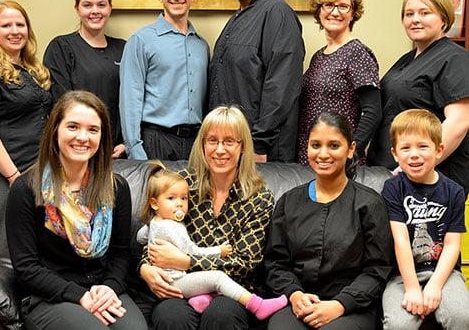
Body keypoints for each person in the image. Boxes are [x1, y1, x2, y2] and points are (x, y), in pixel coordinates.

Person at [5, 91, 147, 330]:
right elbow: (26, 267)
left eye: (93, 130)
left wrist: (110, 287)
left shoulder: (116, 187)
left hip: (103, 289)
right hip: (50, 295)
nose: (83, 137)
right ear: (55, 130)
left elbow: (120, 254)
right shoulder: (26, 188)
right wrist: (80, 296)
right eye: (73, 126)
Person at [136, 106, 274, 330]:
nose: (220, 150)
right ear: (202, 145)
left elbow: (245, 263)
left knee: (221, 316)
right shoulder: (182, 184)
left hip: (232, 290)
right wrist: (145, 268)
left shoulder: (259, 197)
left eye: (229, 141)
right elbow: (156, 231)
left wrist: (187, 261)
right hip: (183, 283)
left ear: (243, 147)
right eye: (212, 140)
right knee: (171, 315)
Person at [264, 112, 393, 329]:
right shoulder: (289, 201)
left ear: (351, 149)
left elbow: (377, 270)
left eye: (333, 145)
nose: (323, 154)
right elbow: (274, 263)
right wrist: (295, 295)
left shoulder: (369, 204)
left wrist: (340, 304)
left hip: (351, 306)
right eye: (316, 145)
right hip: (298, 302)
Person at [136, 161, 287, 320]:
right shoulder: (175, 221)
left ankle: (201, 298)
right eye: (171, 198)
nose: (180, 203)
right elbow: (192, 251)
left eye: (184, 198)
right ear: (154, 203)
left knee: (221, 313)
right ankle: (258, 306)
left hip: (190, 278)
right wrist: (219, 251)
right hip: (174, 281)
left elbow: (141, 237)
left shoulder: (155, 222)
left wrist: (177, 258)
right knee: (217, 278)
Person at [208, 0, 305, 163]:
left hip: (262, 151)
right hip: (233, 147)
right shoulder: (237, 18)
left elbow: (281, 85)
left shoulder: (277, 13)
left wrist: (260, 142)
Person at [0, 1, 51, 261]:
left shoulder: (32, 71)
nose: (15, 31)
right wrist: (14, 177)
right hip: (0, 176)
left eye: (20, 24)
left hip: (34, 172)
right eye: (6, 25)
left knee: (32, 250)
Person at [368, 0, 469, 194]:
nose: (415, 19)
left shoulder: (455, 58)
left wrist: (414, 167)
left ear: (443, 19)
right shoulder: (408, 59)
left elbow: (459, 122)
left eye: (425, 13)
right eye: (409, 14)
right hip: (394, 172)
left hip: (429, 179)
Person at [381, 109, 469, 329]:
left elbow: (451, 246)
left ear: (439, 150)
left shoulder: (454, 191)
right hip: (401, 275)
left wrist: (435, 286)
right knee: (398, 325)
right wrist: (412, 289)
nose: (414, 154)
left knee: (462, 316)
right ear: (394, 154)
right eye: (405, 148)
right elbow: (400, 240)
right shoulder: (393, 188)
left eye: (423, 146)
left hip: (445, 273)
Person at [120, 0, 209, 161]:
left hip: (196, 144)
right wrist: (135, 151)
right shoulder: (141, 41)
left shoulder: (202, 46)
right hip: (156, 141)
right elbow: (130, 101)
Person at [296, 0, 381, 165]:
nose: (335, 12)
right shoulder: (318, 56)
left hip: (338, 161)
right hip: (311, 158)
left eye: (343, 6)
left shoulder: (357, 52)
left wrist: (351, 153)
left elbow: (373, 112)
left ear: (353, 13)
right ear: (319, 10)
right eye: (328, 4)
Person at [43, 0, 126, 158]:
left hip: (115, 152)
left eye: (101, 5)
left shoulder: (124, 49)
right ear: (77, 8)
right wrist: (81, 140)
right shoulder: (62, 47)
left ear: (110, 8)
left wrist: (127, 142)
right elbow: (61, 103)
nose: (95, 11)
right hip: (78, 146)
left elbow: (134, 100)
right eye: (87, 5)